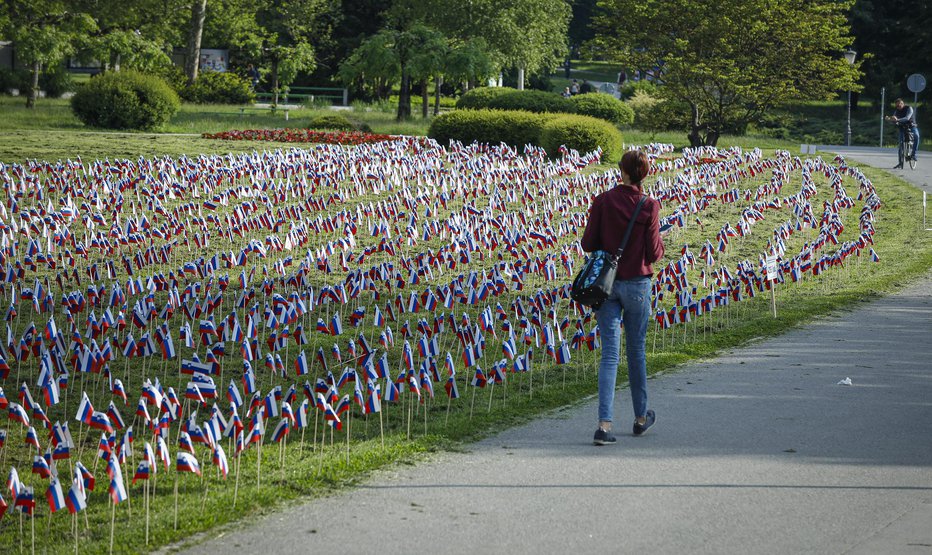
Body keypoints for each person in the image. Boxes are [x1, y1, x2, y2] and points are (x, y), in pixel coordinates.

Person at [581, 150, 666, 445]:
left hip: (606, 285)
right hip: (638, 284)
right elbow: (654, 253)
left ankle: (604, 425)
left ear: (623, 171)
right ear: (644, 174)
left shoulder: (603, 200)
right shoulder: (649, 205)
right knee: (637, 351)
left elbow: (588, 242)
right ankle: (641, 418)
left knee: (610, 356)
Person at [886, 98, 920, 168]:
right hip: (902, 128)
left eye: (899, 105)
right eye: (897, 106)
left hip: (911, 126)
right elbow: (894, 120)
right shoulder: (896, 111)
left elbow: (907, 118)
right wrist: (889, 119)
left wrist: (897, 119)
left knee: (916, 136)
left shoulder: (909, 108)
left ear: (903, 104)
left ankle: (914, 154)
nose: (898, 107)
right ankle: (900, 163)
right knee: (901, 144)